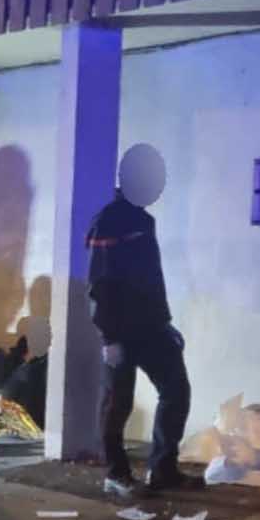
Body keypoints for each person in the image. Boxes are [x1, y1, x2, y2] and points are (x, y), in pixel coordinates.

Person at [89, 156, 191, 498]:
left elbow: (150, 281)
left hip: (152, 328)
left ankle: (163, 469)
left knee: (176, 390)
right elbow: (100, 284)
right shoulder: (110, 221)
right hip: (120, 331)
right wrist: (110, 337)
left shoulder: (144, 220)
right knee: (118, 402)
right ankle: (116, 473)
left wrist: (165, 324)